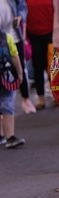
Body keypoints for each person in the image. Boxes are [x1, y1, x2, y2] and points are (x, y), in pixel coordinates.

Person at [1, 0, 35, 114]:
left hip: (14, 37)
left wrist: (20, 16)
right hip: (2, 41)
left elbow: (23, 7)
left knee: (21, 68)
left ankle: (25, 99)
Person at [22, 0, 54, 110]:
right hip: (33, 34)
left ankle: (55, 95)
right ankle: (41, 98)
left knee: (52, 67)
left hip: (51, 34)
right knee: (37, 65)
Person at [0, 20, 25, 148]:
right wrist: (20, 73)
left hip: (6, 79)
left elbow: (15, 56)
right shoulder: (7, 37)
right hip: (7, 78)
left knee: (7, 105)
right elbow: (15, 57)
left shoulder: (8, 38)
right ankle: (8, 136)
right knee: (7, 106)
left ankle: (9, 136)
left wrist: (20, 73)